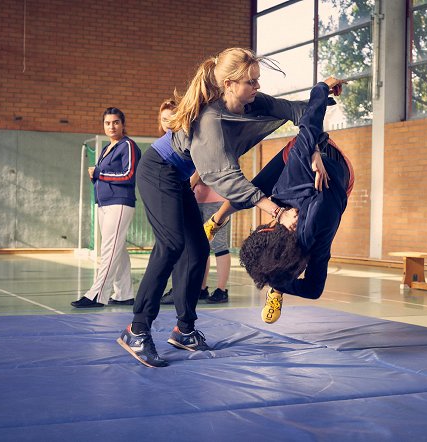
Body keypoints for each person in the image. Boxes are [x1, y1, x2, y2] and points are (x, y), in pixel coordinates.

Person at [117, 47, 307, 368]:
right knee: (173, 245)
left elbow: (287, 107)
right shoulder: (210, 119)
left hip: (176, 177)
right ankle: (137, 329)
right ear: (230, 84)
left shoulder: (250, 101)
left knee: (196, 251)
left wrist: (321, 96)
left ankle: (184, 329)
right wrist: (274, 209)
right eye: (252, 82)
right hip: (157, 171)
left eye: (258, 81)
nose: (257, 88)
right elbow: (225, 177)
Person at [238, 78, 354, 324]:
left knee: (303, 144)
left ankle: (277, 284)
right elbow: (311, 119)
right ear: (269, 226)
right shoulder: (295, 178)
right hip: (334, 177)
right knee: (303, 143)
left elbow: (313, 290)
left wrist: (276, 281)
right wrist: (322, 86)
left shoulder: (316, 238)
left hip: (338, 178)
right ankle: (277, 280)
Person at [157, 100, 232, 305]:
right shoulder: (166, 142)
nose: (167, 122)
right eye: (164, 119)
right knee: (201, 245)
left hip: (215, 198)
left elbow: (200, 165)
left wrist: (187, 182)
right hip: (195, 198)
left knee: (219, 245)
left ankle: (222, 290)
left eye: (171, 118)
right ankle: (201, 287)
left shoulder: (195, 133)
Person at [72, 107, 140, 308]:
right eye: (108, 123)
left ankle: (97, 295)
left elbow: (129, 175)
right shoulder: (105, 149)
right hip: (104, 204)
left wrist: (99, 174)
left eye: (116, 122)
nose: (112, 126)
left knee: (109, 251)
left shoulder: (128, 145)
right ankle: (124, 294)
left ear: (123, 124)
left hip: (119, 203)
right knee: (118, 250)